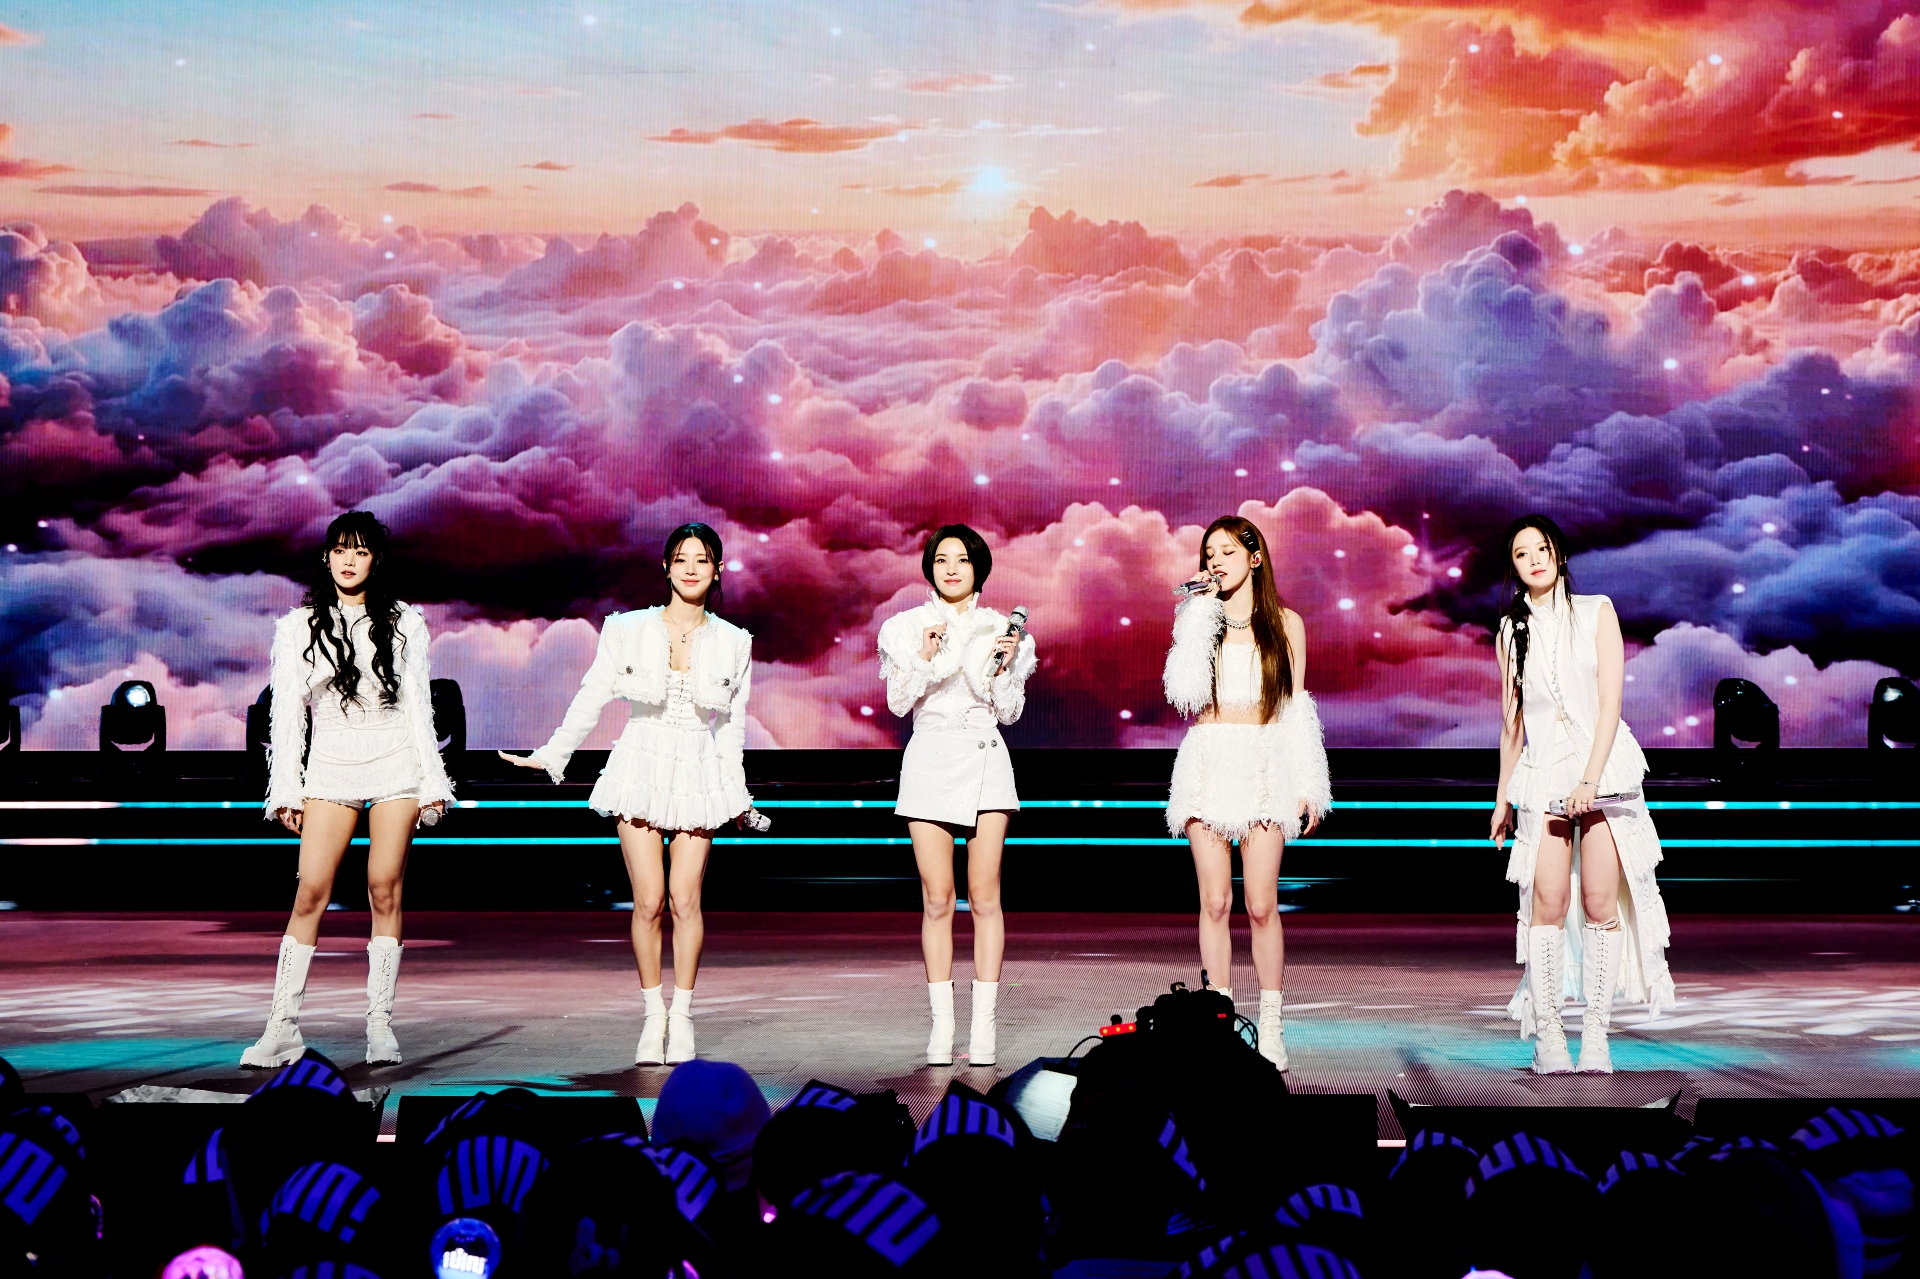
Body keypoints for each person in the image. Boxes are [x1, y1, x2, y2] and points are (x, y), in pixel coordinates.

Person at [500, 522, 757, 1065]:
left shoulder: (735, 641)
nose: (691, 568)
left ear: (717, 571)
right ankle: (652, 1016)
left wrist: (736, 794)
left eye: (702, 559)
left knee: (686, 899)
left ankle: (682, 1017)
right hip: (640, 761)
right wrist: (553, 752)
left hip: (698, 768)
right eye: (681, 558)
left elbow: (731, 727)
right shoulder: (627, 628)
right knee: (649, 900)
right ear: (665, 567)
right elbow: (592, 694)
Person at [243, 511, 452, 1068]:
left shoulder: (406, 622)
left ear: (375, 560)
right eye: (340, 549)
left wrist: (432, 781)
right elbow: (288, 715)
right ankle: (281, 1027)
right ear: (326, 556)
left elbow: (420, 708)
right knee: (310, 889)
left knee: (384, 887)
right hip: (331, 765)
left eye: (360, 551)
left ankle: (379, 1025)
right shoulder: (297, 626)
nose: (349, 560)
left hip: (395, 763)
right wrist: (285, 790)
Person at [1489, 514, 1675, 1074]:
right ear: (1514, 566)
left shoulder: (1598, 611)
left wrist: (1591, 780)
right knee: (1546, 903)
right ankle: (1549, 1035)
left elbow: (1611, 703)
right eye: (1522, 554)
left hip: (1603, 769)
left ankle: (1596, 1034)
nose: (1533, 560)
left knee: (1599, 902)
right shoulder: (1511, 630)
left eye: (1541, 549)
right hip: (1543, 773)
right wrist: (1502, 798)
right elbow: (1512, 723)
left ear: (1560, 554)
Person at [1163, 515, 1330, 1071]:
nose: (1215, 562)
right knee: (1215, 902)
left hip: (1264, 761)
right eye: (1209, 553)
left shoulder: (1286, 623)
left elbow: (1296, 706)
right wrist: (1197, 614)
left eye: (1227, 552)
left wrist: (1308, 782)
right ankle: (1219, 1028)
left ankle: (1272, 1026)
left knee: (1261, 904)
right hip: (1209, 760)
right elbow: (1184, 694)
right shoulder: (1200, 620)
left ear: (1255, 558)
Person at [877, 524, 1035, 1068]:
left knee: (985, 895)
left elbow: (1010, 712)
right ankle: (942, 1026)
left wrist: (1005, 666)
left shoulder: (1002, 629)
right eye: (941, 559)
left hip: (986, 757)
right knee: (938, 897)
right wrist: (924, 654)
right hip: (929, 760)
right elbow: (899, 704)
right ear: (929, 567)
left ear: (978, 568)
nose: (951, 569)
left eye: (962, 560)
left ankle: (983, 1026)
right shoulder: (905, 627)